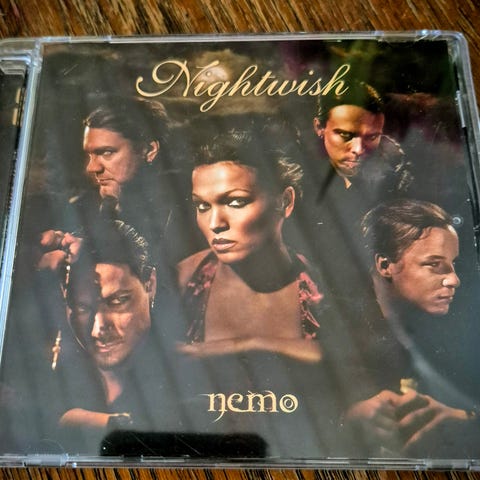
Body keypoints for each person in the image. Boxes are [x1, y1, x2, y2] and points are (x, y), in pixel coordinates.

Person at [175, 128, 355, 458]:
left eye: (236, 202)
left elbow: (354, 368)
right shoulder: (184, 280)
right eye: (201, 206)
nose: (215, 223)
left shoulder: (324, 289)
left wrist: (250, 344)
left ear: (285, 202)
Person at [344, 199, 479, 457]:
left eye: (453, 264)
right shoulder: (337, 333)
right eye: (434, 264)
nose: (454, 279)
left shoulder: (445, 336)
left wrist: (466, 421)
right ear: (385, 265)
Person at [289, 81, 411, 303]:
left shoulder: (400, 181)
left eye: (371, 137)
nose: (358, 149)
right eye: (345, 135)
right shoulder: (292, 183)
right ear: (319, 127)